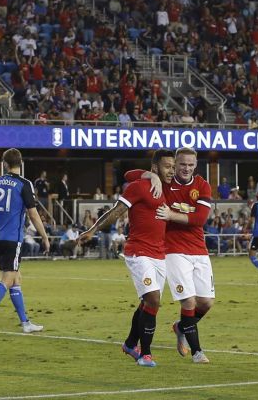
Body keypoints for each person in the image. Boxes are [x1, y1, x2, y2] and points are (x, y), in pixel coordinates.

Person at [79, 151, 167, 367]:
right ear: (156, 167)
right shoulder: (139, 186)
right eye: (167, 166)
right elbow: (117, 208)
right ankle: (145, 354)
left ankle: (129, 344)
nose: (172, 171)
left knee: (148, 303)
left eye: (174, 167)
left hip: (160, 255)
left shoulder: (170, 189)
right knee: (153, 299)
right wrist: (92, 230)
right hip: (138, 252)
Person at [136, 147, 214, 364]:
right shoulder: (165, 182)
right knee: (188, 301)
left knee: (206, 303)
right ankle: (198, 351)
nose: (186, 168)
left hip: (199, 250)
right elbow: (129, 175)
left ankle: (180, 327)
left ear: (196, 165)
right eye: (182, 164)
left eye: (190, 164)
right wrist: (151, 175)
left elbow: (200, 219)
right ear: (176, 164)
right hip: (173, 250)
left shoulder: (202, 185)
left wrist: (171, 214)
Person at [0, 148, 50, 336]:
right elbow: (32, 213)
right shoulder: (24, 184)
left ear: (5, 164)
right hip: (12, 239)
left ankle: (25, 323)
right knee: (7, 279)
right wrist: (45, 236)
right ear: (20, 163)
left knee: (16, 278)